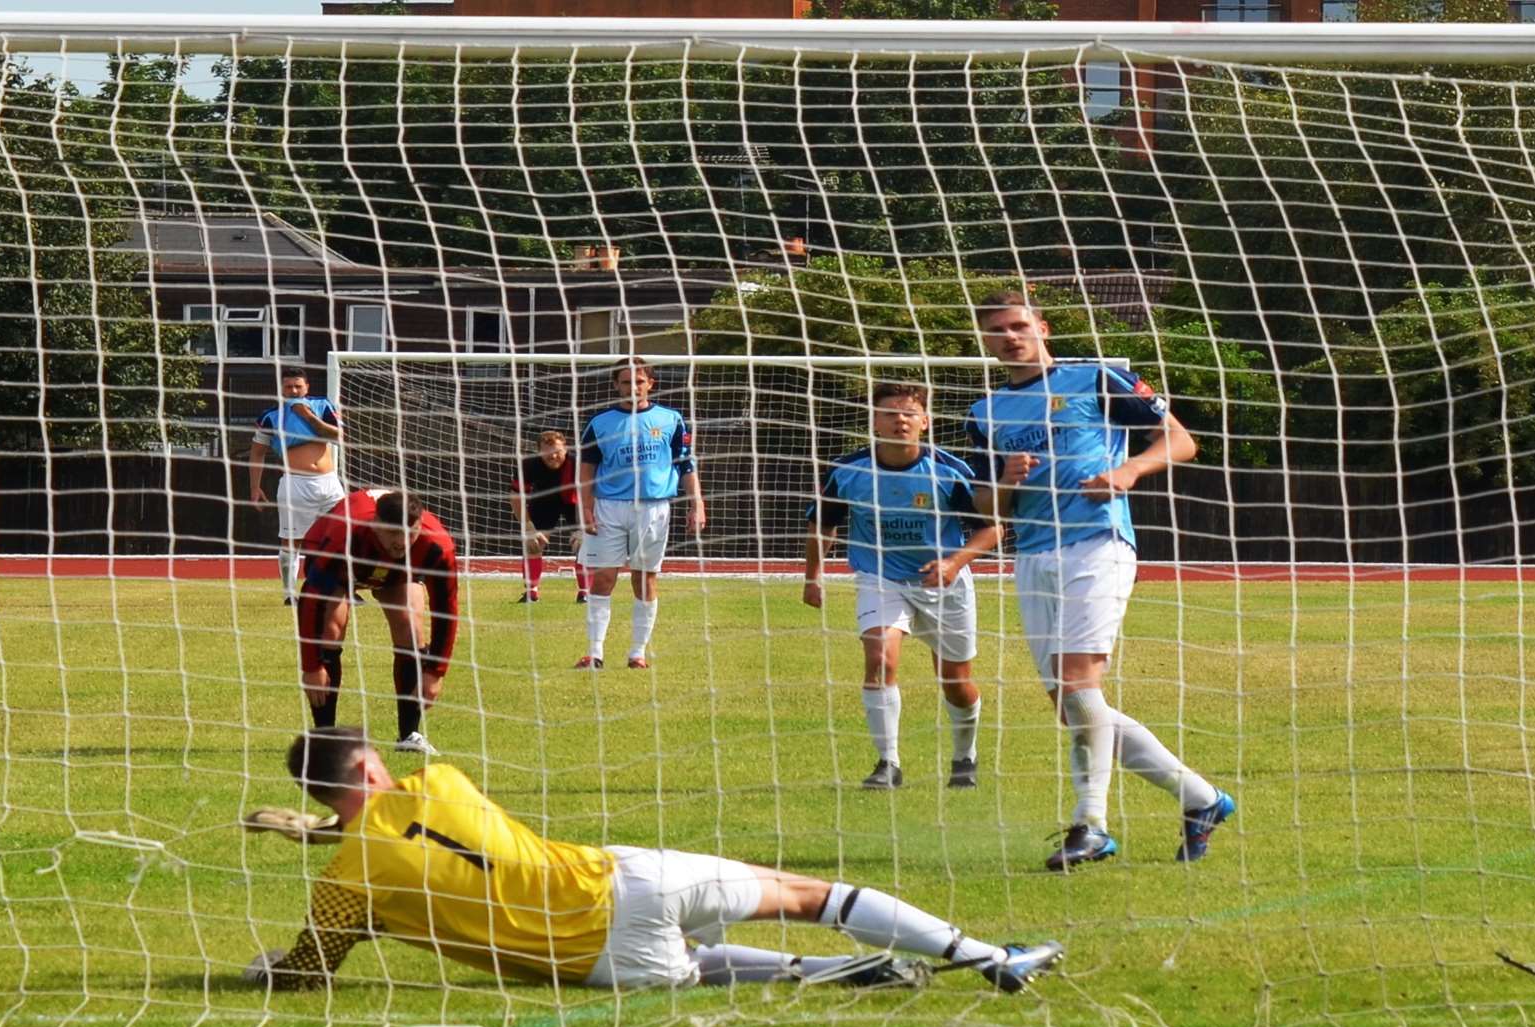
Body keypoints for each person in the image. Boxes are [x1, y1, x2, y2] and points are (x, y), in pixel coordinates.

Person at [242, 726, 1066, 994]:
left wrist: (266, 968)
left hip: (595, 963)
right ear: (371, 768)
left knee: (699, 967)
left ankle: (835, 976)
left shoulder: (346, 882)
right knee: (804, 891)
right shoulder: (441, 781)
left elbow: (312, 969)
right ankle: (991, 958)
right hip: (618, 879)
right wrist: (324, 827)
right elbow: (407, 825)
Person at [965, 291, 1234, 871]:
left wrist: (1130, 468)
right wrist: (1008, 478)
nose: (1010, 337)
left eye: (1019, 326)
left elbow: (1182, 440)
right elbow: (988, 505)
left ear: (1042, 327)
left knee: (1080, 684)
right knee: (1074, 704)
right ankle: (1202, 799)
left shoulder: (1098, 377)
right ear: (984, 340)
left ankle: (1091, 826)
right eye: (997, 330)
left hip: (1098, 543)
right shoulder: (985, 412)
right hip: (1032, 555)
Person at [804, 382, 999, 791]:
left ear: (925, 422)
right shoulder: (848, 471)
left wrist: (953, 562)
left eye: (909, 413)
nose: (900, 420)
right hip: (881, 577)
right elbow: (823, 524)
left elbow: (992, 529)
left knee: (956, 682)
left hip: (944, 584)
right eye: (890, 413)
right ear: (874, 421)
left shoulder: (950, 470)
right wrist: (812, 575)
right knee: (879, 657)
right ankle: (888, 763)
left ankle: (965, 756)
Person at [296, 489, 458, 755]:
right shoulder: (343, 537)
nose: (402, 542)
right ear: (375, 525)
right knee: (331, 627)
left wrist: (435, 671)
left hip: (396, 574)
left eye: (410, 532)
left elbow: (446, 610)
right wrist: (311, 665)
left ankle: (409, 735)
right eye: (393, 533)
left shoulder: (437, 545)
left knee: (410, 623)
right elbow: (311, 600)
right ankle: (325, 738)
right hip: (344, 570)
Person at [575, 357, 707, 670]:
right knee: (604, 577)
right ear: (615, 385)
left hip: (654, 507)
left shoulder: (671, 419)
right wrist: (586, 510)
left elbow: (686, 465)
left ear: (650, 383)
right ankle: (595, 653)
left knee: (645, 579)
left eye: (638, 381)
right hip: (610, 507)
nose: (632, 387)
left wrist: (696, 503)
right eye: (625, 382)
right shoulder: (599, 423)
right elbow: (586, 471)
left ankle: (637, 653)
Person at [249, 367, 346, 605]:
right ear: (281, 389)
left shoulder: (323, 405)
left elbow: (338, 435)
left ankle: (342, 588)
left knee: (342, 537)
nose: (293, 390)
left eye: (298, 386)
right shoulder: (270, 417)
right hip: (296, 484)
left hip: (330, 483)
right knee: (291, 541)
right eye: (288, 386)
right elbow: (257, 453)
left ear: (307, 388)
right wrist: (255, 487)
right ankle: (289, 593)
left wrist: (307, 416)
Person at [509, 431, 591, 604]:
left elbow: (593, 494)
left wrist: (585, 527)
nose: (553, 456)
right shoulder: (528, 465)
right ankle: (531, 592)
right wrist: (528, 527)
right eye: (547, 452)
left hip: (575, 502)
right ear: (539, 451)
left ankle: (585, 593)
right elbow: (516, 496)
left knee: (586, 544)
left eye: (558, 451)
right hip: (543, 501)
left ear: (566, 449)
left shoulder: (579, 464)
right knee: (532, 544)